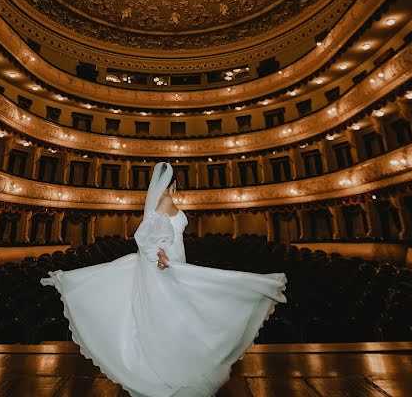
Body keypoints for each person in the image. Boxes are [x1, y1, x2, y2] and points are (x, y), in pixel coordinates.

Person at [41, 161, 288, 397]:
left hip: (171, 259)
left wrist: (159, 250)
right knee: (180, 309)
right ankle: (173, 367)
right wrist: (158, 253)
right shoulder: (167, 199)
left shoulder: (163, 200)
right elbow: (146, 233)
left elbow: (155, 229)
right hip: (168, 263)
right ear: (175, 184)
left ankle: (176, 362)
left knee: (173, 311)